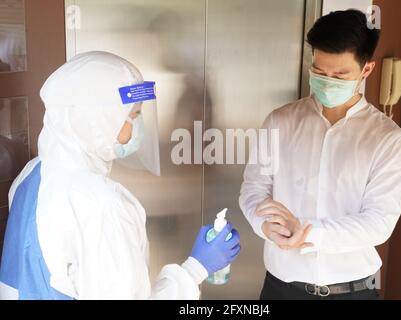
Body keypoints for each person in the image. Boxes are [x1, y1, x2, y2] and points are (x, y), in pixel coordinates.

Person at [0, 51, 240, 300]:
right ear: (96, 120)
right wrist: (196, 268)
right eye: (133, 116)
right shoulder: (102, 203)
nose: (139, 126)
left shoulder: (32, 174)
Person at [239, 9, 401, 300]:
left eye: (340, 75)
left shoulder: (386, 138)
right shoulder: (280, 121)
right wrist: (264, 225)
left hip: (353, 291)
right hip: (281, 288)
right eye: (319, 71)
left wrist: (307, 232)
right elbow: (253, 189)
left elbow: (380, 221)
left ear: (366, 69)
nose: (327, 80)